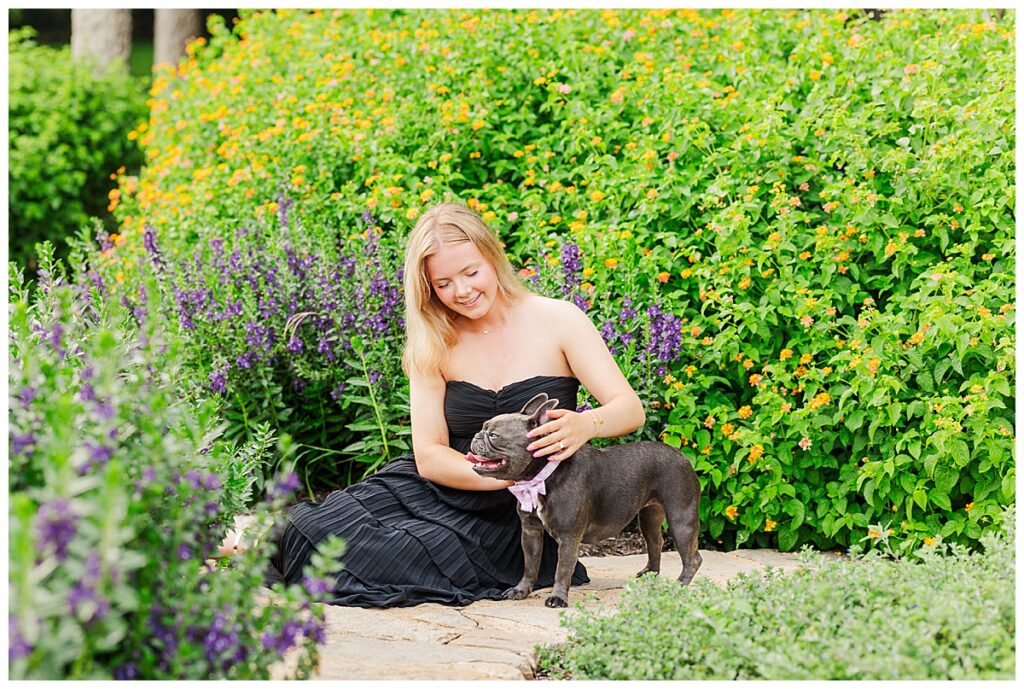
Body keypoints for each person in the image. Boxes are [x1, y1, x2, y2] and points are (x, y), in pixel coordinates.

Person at [227, 202, 646, 607]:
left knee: (385, 558)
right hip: (448, 484)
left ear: (493, 257)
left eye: (471, 272)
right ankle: (246, 547)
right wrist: (501, 474)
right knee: (310, 529)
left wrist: (584, 425)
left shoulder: (559, 320)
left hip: (526, 509)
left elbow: (629, 408)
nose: (461, 291)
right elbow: (429, 455)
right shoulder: (433, 341)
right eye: (443, 284)